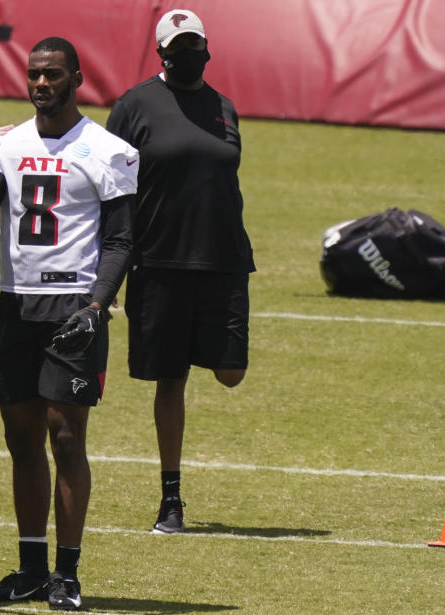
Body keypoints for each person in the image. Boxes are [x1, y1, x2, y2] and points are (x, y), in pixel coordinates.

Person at [0, 37, 138, 611]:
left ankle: (67, 573)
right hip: (16, 305)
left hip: (74, 310)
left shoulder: (109, 149)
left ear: (77, 78)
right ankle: (31, 568)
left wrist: (97, 304)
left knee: (67, 437)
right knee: (21, 440)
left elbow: (119, 240)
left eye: (53, 75)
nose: (41, 83)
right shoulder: (7, 143)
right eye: (34, 74)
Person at [105, 9, 255, 534]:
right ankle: (172, 499)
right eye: (181, 45)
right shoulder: (133, 106)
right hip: (161, 261)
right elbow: (110, 187)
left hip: (224, 259)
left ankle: (200, 345)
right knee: (171, 381)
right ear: (162, 52)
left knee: (231, 373)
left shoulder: (224, 107)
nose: (191, 52)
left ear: (207, 48)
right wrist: (113, 265)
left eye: (198, 43)